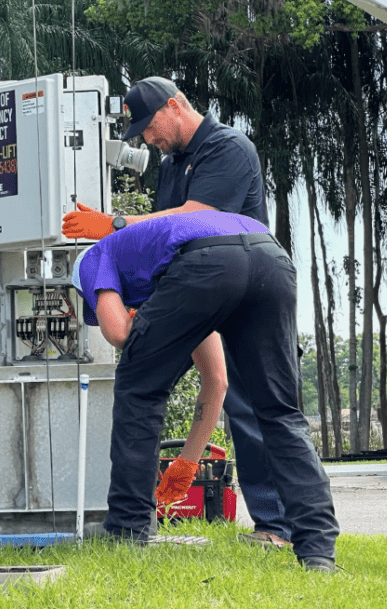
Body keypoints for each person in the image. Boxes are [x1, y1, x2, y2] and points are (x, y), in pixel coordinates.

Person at [63, 76, 291, 549]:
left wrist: (114, 223)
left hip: (245, 283)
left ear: (175, 105)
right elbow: (167, 244)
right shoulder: (171, 164)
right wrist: (188, 461)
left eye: (150, 126)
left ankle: (276, 525)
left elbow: (194, 218)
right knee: (227, 390)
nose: (148, 139)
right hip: (198, 288)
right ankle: (265, 523)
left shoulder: (229, 147)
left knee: (258, 404)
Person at [72, 210, 339, 571]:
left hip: (205, 262)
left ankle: (128, 532)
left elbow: (119, 334)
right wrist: (186, 462)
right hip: (269, 256)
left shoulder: (92, 259)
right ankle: (318, 552)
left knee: (138, 386)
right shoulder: (161, 263)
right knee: (280, 411)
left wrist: (138, 330)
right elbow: (216, 381)